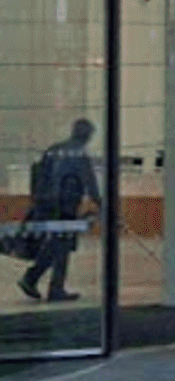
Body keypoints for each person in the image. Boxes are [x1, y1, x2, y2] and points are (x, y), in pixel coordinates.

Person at [19, 119, 100, 304]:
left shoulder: (54, 149)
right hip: (65, 207)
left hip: (46, 204)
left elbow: (38, 174)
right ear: (87, 135)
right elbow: (91, 184)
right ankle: (44, 283)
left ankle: (43, 282)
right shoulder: (79, 154)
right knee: (61, 244)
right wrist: (102, 205)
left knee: (58, 245)